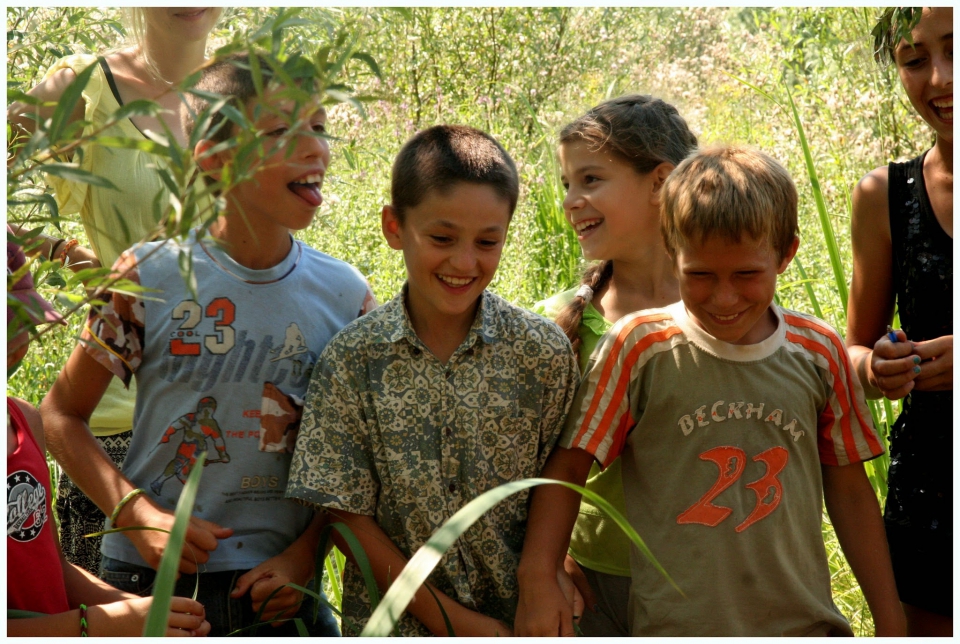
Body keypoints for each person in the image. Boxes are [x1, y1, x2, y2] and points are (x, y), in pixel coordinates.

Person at [40, 53, 376, 636]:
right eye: (282, 131)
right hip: (150, 582)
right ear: (214, 158)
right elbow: (60, 415)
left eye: (320, 127)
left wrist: (306, 555)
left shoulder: (346, 296)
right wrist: (138, 513)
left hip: (280, 590)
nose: (315, 148)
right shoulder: (146, 276)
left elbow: (356, 459)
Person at [515, 145, 907, 636]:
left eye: (746, 274)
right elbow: (570, 467)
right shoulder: (638, 348)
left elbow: (850, 493)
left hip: (802, 625)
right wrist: (539, 574)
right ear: (671, 250)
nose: (724, 297)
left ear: (786, 254)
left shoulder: (819, 351)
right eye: (700, 275)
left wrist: (891, 620)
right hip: (677, 628)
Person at [285, 125, 581, 636]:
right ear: (394, 227)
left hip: (522, 624)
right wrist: (456, 624)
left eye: (488, 242)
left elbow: (562, 477)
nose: (464, 262)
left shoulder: (542, 353)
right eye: (442, 239)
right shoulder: (354, 360)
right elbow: (345, 517)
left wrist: (544, 578)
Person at [7, 7, 223, 576]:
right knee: (116, 610)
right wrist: (57, 249)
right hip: (117, 416)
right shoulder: (84, 86)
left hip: (236, 410)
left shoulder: (251, 89)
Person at [533, 95, 697, 636]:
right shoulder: (556, 325)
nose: (570, 201)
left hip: (706, 580)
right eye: (566, 184)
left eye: (590, 179)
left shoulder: (725, 310)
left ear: (660, 182)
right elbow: (528, 471)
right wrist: (553, 565)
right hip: (594, 589)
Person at [7, 232, 211, 637]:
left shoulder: (24, 421)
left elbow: (54, 569)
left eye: (25, 322)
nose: (20, 343)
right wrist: (94, 625)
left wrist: (138, 610)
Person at [846, 7, 953, 637]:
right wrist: (877, 367)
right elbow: (855, 349)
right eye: (915, 60)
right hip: (933, 492)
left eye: (956, 49)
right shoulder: (884, 195)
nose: (939, 78)